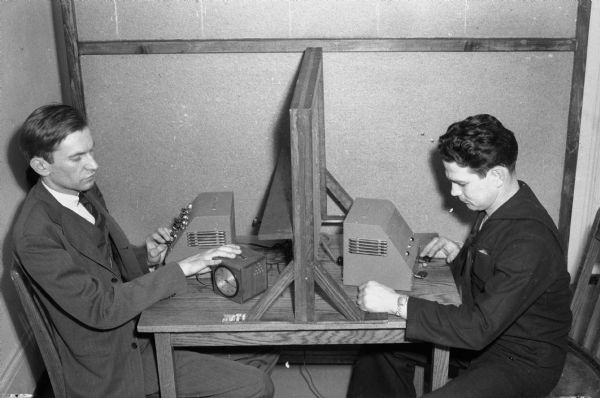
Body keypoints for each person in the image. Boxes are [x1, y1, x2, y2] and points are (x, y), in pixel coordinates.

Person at [13, 104, 276, 398]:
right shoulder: (35, 235)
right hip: (114, 361)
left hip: (136, 328)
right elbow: (101, 308)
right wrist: (182, 268)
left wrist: (146, 258)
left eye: (91, 151)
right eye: (77, 158)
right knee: (256, 385)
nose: (93, 165)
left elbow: (105, 266)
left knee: (265, 347)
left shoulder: (83, 189)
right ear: (41, 166)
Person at [346, 114, 572, 398]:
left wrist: (395, 302)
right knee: (379, 352)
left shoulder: (530, 240)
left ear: (497, 176)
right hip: (489, 338)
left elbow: (478, 328)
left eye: (462, 183)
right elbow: (496, 271)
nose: (453, 192)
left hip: (520, 359)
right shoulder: (498, 208)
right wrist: (463, 257)